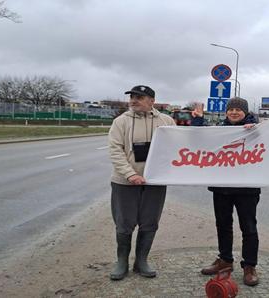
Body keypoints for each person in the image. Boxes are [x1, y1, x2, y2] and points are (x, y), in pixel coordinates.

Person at [107, 85, 176, 280]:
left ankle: (141, 261)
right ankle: (122, 261)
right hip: (125, 183)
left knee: (149, 223)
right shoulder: (121, 122)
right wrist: (130, 174)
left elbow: (178, 145)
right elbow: (115, 151)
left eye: (140, 97)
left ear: (152, 101)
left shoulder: (166, 121)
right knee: (124, 223)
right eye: (132, 97)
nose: (134, 100)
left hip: (155, 183)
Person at [191, 98, 261, 286]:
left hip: (247, 188)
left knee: (248, 227)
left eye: (239, 109)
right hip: (222, 188)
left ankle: (249, 266)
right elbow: (200, 137)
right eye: (231, 109)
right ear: (226, 112)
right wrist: (198, 119)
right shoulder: (219, 129)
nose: (234, 112)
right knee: (223, 225)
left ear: (245, 112)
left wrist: (255, 128)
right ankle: (225, 260)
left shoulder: (255, 129)